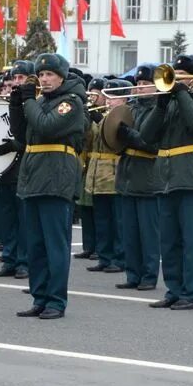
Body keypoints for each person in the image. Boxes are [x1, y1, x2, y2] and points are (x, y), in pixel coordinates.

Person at [137, 54, 193, 310]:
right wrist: (160, 105)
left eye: (181, 76)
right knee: (169, 240)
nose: (175, 80)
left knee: (190, 239)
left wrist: (182, 94)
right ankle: (173, 289)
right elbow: (146, 136)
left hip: (191, 176)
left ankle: (189, 292)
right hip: (165, 177)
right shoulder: (169, 103)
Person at [11, 55, 87, 319]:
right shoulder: (41, 101)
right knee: (36, 244)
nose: (43, 79)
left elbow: (45, 125)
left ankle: (56, 300)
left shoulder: (72, 103)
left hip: (56, 175)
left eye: (49, 75)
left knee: (55, 244)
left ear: (62, 77)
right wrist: (16, 103)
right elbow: (21, 135)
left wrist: (29, 100)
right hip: (34, 174)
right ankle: (39, 297)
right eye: (41, 74)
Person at [114, 65, 161, 292]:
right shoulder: (131, 108)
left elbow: (153, 145)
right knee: (130, 232)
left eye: (145, 84)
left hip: (148, 176)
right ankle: (133, 274)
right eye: (139, 84)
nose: (141, 88)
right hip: (128, 175)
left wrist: (129, 135)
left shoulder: (160, 110)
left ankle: (149, 276)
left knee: (148, 233)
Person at [0, 62, 32, 279]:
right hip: (2, 170)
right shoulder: (1, 105)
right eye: (14, 79)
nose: (16, 83)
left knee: (23, 220)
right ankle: (10, 258)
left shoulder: (35, 103)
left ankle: (24, 261)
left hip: (23, 170)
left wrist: (17, 145)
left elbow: (39, 135)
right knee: (6, 219)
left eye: (21, 78)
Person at [83, 78, 127, 273]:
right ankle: (104, 256)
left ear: (125, 99)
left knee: (117, 220)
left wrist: (101, 121)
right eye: (107, 97)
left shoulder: (126, 115)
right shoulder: (100, 114)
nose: (109, 101)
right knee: (101, 219)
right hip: (97, 172)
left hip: (115, 171)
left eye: (114, 98)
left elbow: (117, 137)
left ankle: (119, 257)